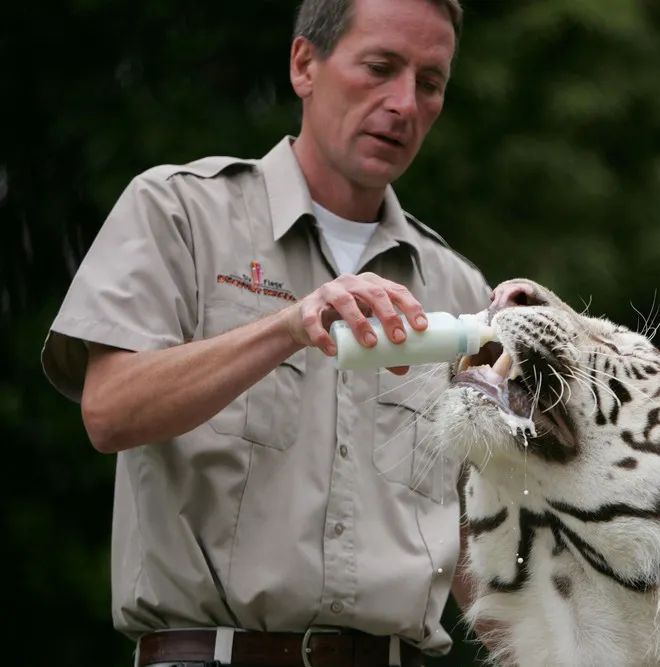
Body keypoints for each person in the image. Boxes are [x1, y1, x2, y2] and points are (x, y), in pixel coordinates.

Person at [39, 0, 492, 665]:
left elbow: (475, 530)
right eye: (380, 67)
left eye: (429, 83)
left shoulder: (460, 291)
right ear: (304, 64)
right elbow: (108, 411)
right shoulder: (178, 212)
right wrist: (288, 326)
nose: (404, 103)